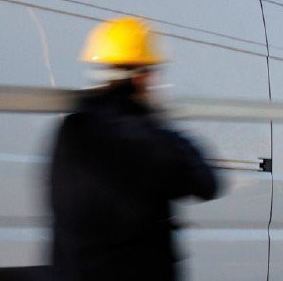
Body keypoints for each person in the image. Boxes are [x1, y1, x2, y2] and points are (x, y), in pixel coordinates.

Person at [50, 17, 219, 281]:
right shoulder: (149, 140)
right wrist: (158, 118)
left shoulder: (71, 129)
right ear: (141, 77)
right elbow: (207, 183)